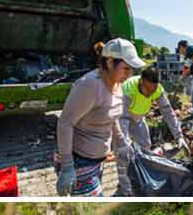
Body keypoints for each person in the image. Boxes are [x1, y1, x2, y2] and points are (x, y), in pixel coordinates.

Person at [55, 38, 145, 197]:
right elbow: (65, 123)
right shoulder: (89, 86)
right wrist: (67, 166)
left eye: (132, 69)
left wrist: (121, 141)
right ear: (110, 62)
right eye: (126, 68)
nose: (130, 74)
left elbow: (112, 116)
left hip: (97, 160)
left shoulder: (117, 84)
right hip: (78, 161)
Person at [115, 66, 189, 196]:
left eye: (153, 89)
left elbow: (167, 112)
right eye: (147, 89)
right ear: (141, 82)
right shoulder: (128, 89)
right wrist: (124, 141)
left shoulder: (157, 90)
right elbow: (123, 118)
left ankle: (142, 178)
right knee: (123, 154)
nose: (150, 93)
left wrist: (179, 136)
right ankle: (125, 189)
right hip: (122, 119)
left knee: (146, 148)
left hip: (138, 119)